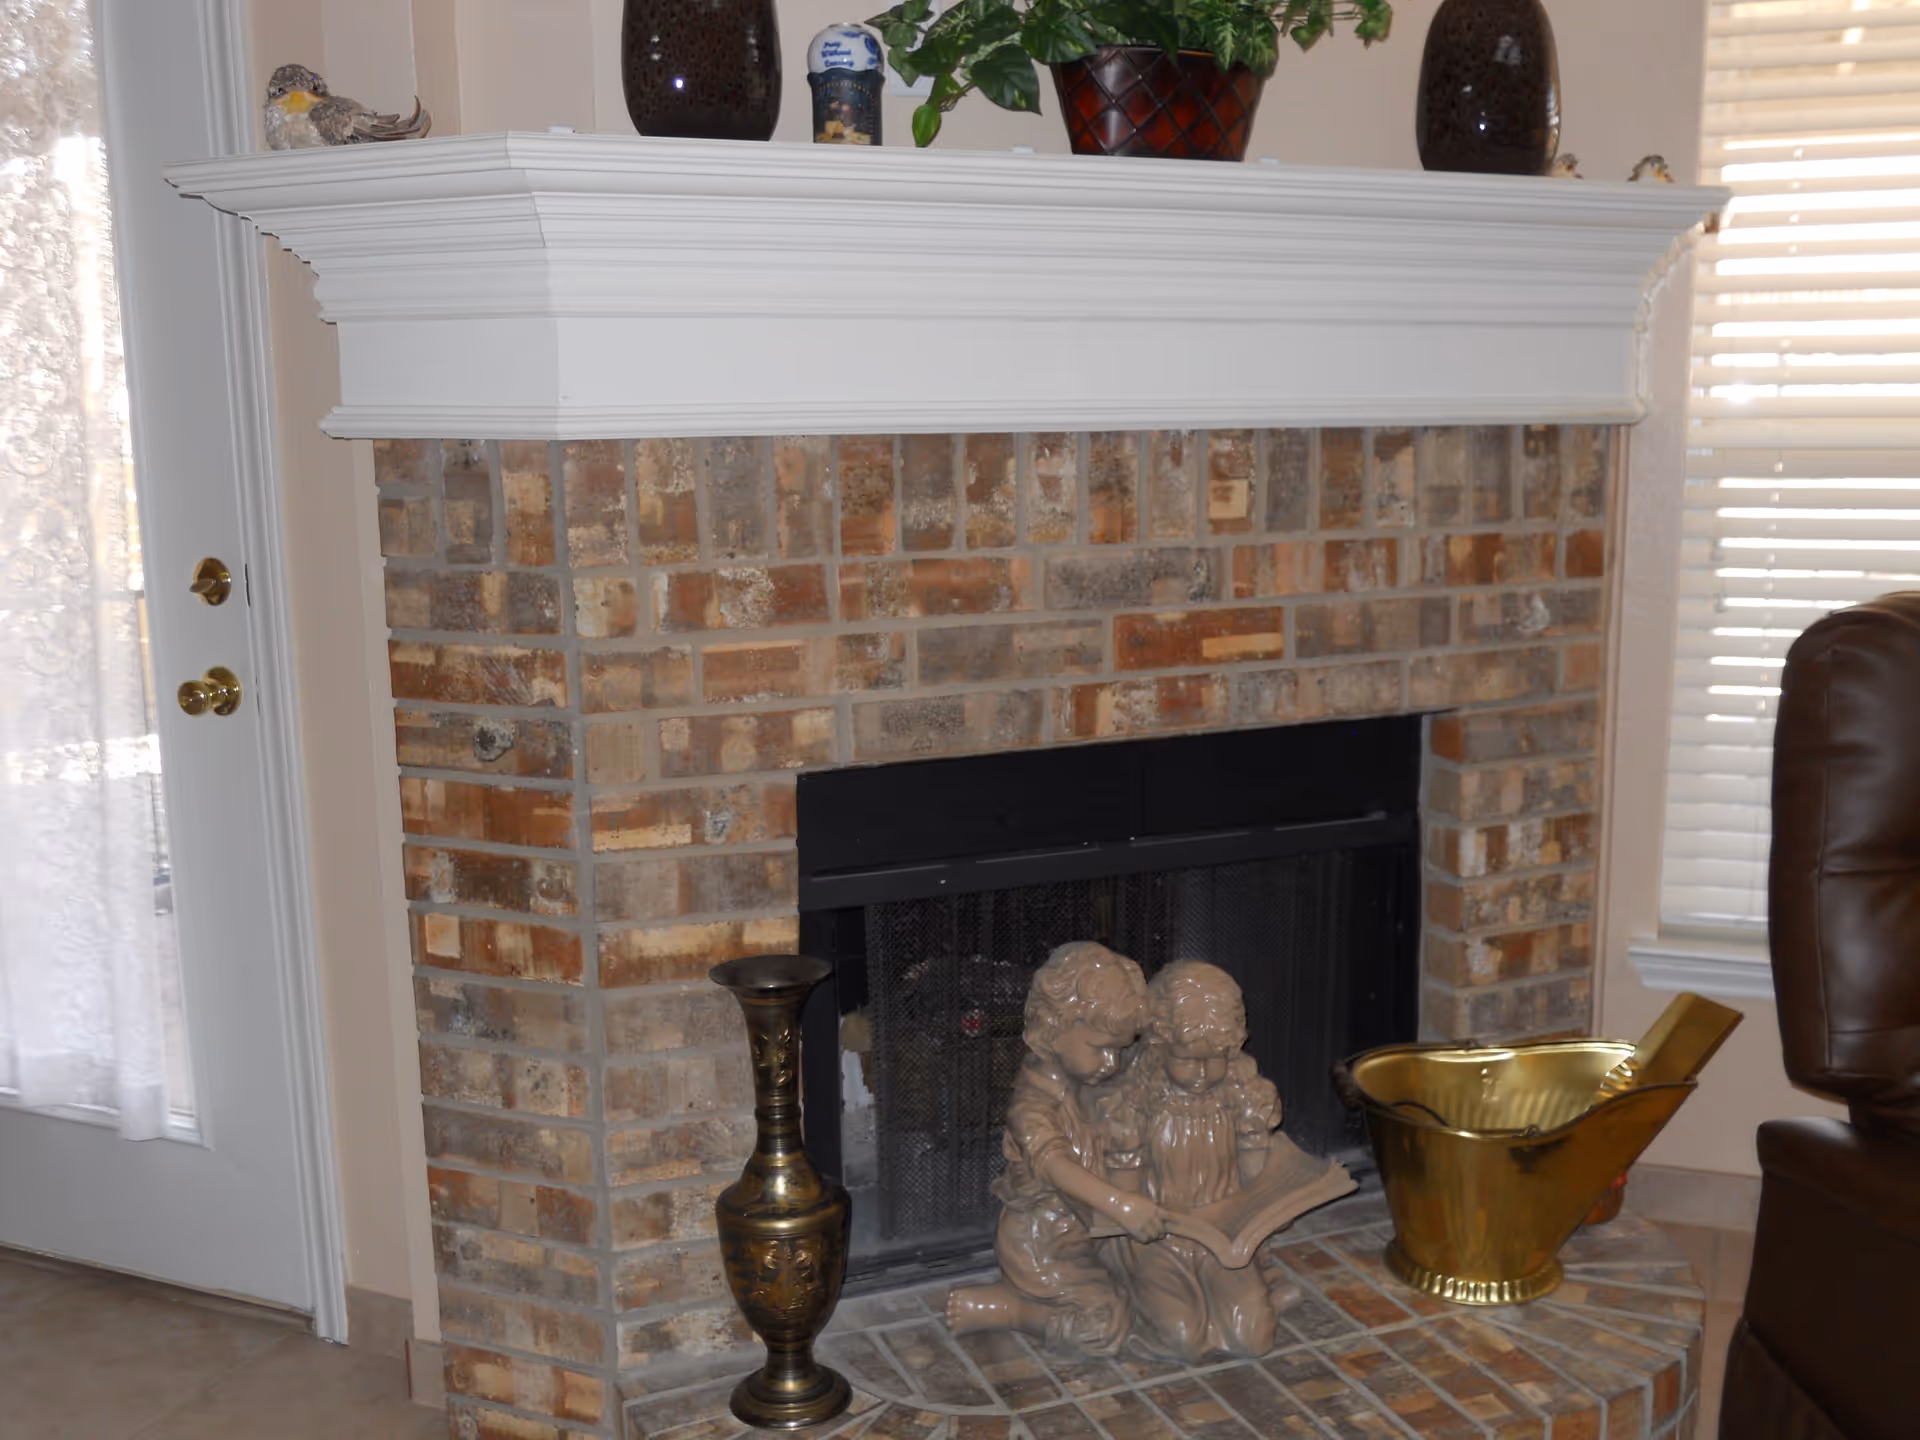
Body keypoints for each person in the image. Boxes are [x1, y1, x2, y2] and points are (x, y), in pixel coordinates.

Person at [946, 941, 1166, 1354]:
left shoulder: (1089, 1080)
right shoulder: (1031, 1108)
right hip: (1043, 1245)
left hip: (1094, 1233)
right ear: (1053, 1029)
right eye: (1100, 1048)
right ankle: (1009, 1309)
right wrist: (1122, 1205)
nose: (1112, 1063)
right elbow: (1054, 1165)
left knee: (1160, 1286)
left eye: (1119, 1049)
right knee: (1104, 1327)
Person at [1099, 960, 1282, 1361]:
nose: (1202, 1073)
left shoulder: (1242, 1096)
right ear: (1158, 1045)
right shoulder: (1133, 1105)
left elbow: (1256, 1177)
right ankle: (1163, 1307)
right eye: (1187, 1059)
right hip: (1157, 1241)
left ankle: (1229, 1307)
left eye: (1215, 1058)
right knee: (1182, 1338)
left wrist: (1267, 1210)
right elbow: (1125, 1192)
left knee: (1255, 1338)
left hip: (1222, 1238)